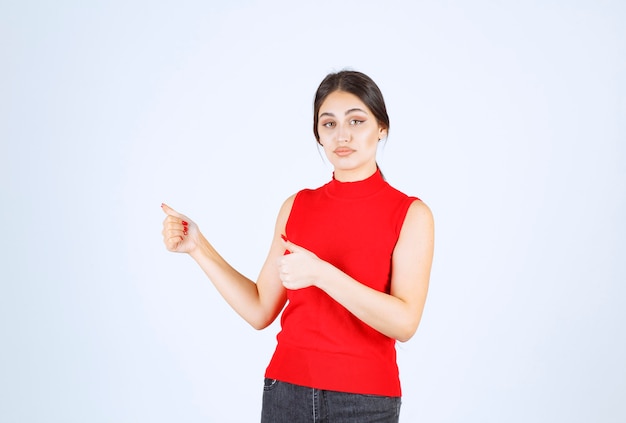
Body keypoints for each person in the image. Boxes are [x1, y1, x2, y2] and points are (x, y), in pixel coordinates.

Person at [161, 70, 434, 422]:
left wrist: (322, 274)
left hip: (365, 400)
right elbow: (260, 309)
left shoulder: (410, 213)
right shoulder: (297, 206)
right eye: (329, 124)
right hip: (286, 391)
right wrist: (198, 247)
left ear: (382, 128)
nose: (343, 135)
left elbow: (405, 322)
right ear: (318, 134)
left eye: (356, 120)